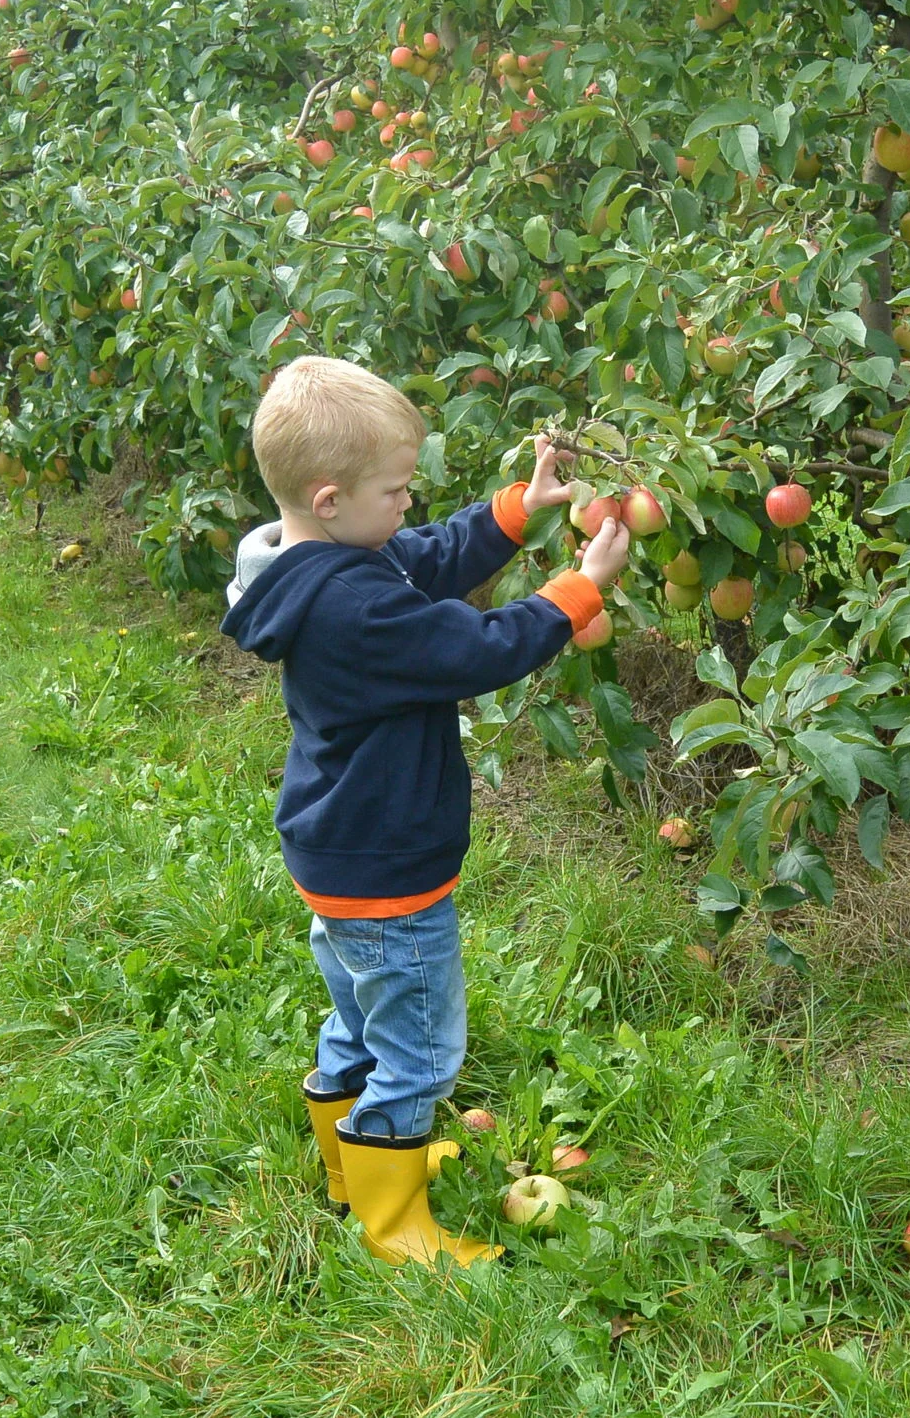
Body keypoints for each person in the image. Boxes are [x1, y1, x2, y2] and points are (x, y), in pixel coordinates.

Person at [220, 356, 628, 1267]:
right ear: (331, 499)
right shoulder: (354, 610)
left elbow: (432, 558)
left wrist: (520, 509)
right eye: (396, 491)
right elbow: (476, 646)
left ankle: (350, 1165)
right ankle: (395, 1223)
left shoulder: (323, 565)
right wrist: (579, 587)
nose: (409, 506)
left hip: (342, 855)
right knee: (420, 1052)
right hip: (390, 869)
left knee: (360, 1021)